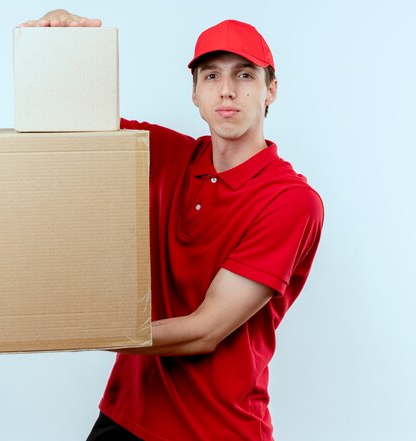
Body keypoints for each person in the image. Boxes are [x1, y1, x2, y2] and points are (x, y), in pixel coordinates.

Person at [21, 10, 324, 441]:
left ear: (270, 90)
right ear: (195, 94)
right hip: (128, 415)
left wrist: (78, 330)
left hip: (216, 429)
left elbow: (205, 330)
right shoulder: (165, 155)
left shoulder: (291, 201)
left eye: (244, 76)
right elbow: (65, 126)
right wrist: (62, 50)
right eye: (211, 76)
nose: (226, 91)